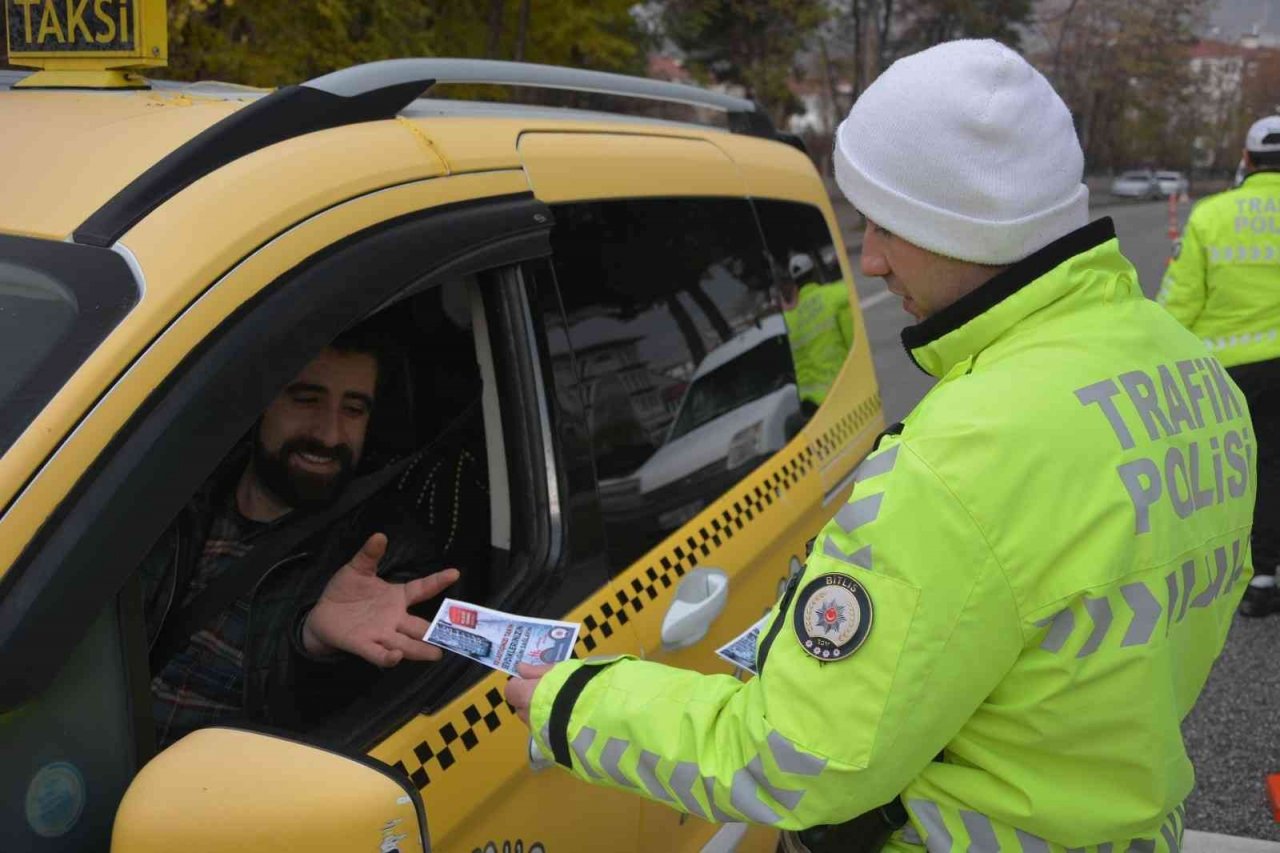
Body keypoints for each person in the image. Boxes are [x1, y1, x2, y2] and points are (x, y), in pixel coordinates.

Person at [506, 40, 1253, 852]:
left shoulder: (961, 459)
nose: (869, 261)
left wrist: (571, 702)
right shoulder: (1191, 372)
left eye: (887, 225)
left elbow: (793, 757)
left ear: (964, 221)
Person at [143, 327, 460, 749]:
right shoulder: (174, 493)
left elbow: (341, 715)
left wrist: (310, 644)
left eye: (353, 410)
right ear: (259, 402)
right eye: (307, 399)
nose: (329, 435)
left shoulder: (386, 557)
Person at [1157, 114, 1280, 617]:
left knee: (1240, 471)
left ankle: (1255, 573)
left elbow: (1179, 302)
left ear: (1246, 159)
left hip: (1232, 373)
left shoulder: (1211, 216)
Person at [781, 252, 855, 411]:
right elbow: (854, 344)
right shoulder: (838, 295)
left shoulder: (789, 320)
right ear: (815, 272)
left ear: (795, 284)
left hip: (813, 408)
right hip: (844, 393)